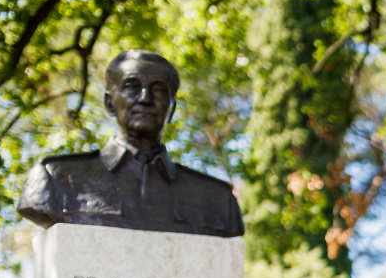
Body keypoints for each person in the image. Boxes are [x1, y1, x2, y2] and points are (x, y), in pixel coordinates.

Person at [17, 50, 244, 238]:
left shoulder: (218, 200)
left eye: (158, 90)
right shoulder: (56, 178)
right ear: (110, 103)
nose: (145, 98)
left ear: (172, 108)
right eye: (131, 86)